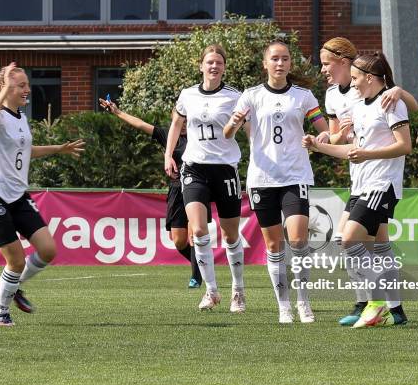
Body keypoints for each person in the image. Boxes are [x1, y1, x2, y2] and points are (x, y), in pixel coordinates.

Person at [303, 52, 412, 328]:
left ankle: (375, 303)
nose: (351, 84)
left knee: (348, 239)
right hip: (362, 185)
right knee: (377, 247)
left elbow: (404, 146)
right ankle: (396, 310)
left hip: (381, 184)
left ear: (370, 77)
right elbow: (354, 151)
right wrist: (319, 146)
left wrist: (368, 154)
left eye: (355, 78)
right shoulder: (361, 107)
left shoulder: (391, 103)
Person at [224, 40, 329, 324]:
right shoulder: (251, 95)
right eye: (275, 59)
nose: (280, 64)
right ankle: (284, 305)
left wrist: (320, 139)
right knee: (273, 246)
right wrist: (234, 122)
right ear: (265, 63)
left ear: (290, 64)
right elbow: (227, 133)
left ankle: (304, 302)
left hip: (296, 176)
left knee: (298, 239)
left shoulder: (304, 96)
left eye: (284, 59)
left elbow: (325, 130)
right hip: (262, 179)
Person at [0, 62, 85, 326]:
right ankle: (1, 313)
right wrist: (2, 90)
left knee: (48, 250)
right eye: (21, 85)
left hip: (18, 195)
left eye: (27, 85)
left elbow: (25, 151)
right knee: (15, 260)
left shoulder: (20, 118)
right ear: (6, 89)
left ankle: (13, 287)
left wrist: (58, 148)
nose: (27, 90)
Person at [164, 44, 246, 313]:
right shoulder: (187, 94)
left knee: (230, 234)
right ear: (201, 66)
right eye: (209, 62)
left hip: (224, 169)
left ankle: (238, 291)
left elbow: (247, 129)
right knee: (198, 230)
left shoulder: (235, 97)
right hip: (194, 168)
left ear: (224, 68)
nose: (214, 66)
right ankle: (211, 291)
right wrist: (168, 155)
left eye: (219, 63)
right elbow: (177, 123)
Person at [98, 99, 204, 289]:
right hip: (175, 190)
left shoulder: (199, 136)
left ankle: (197, 277)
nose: (184, 125)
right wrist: (117, 112)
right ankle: (205, 266)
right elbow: (140, 124)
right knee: (179, 241)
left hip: (196, 187)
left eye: (187, 121)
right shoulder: (168, 135)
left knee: (195, 233)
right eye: (180, 121)